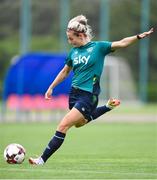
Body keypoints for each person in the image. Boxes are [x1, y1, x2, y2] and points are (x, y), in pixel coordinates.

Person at [29, 15, 153, 165]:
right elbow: (65, 71)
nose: (70, 42)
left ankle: (41, 159)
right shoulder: (73, 52)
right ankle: (107, 107)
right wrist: (51, 87)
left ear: (80, 35)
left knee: (63, 125)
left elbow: (122, 43)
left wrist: (139, 36)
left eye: (71, 38)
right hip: (74, 94)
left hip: (88, 95)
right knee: (79, 123)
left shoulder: (98, 47)